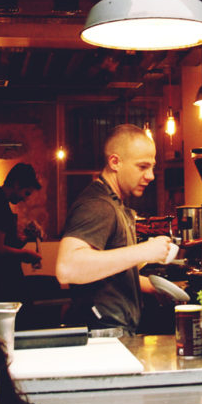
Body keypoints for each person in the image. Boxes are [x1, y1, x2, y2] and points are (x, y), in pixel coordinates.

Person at [55, 124, 172, 333]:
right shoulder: (98, 205)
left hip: (115, 331)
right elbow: (67, 268)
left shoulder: (115, 203)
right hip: (102, 335)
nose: (151, 176)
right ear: (115, 162)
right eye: (142, 167)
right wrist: (144, 251)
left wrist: (154, 287)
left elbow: (107, 272)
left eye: (152, 167)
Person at [0, 163, 44, 302]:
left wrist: (25, 238)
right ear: (17, 184)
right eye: (26, 193)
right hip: (1, 279)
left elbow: (2, 243)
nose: (24, 199)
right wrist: (25, 255)